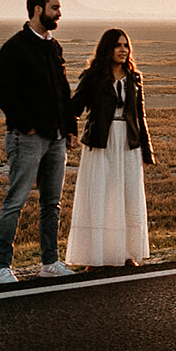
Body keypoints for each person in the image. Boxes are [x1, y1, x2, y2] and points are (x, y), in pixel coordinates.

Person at [0, 0, 79, 284]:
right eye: (55, 8)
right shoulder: (14, 47)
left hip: (55, 138)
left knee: (51, 204)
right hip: (27, 137)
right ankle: (1, 268)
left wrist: (69, 128)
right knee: (16, 201)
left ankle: (49, 262)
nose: (59, 13)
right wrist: (26, 125)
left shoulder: (54, 47)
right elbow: (3, 94)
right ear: (38, 9)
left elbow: (63, 92)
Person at [66, 27, 154, 267]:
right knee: (99, 196)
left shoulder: (134, 78)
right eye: (118, 45)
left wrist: (147, 151)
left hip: (128, 144)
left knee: (127, 196)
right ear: (107, 48)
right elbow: (75, 108)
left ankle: (126, 254)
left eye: (126, 46)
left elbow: (140, 116)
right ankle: (94, 257)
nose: (123, 50)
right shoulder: (92, 76)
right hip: (100, 143)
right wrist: (70, 132)